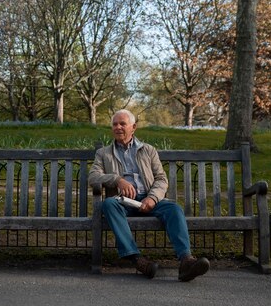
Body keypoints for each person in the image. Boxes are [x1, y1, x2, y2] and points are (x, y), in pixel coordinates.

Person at [88, 109, 210, 281]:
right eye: (115, 124)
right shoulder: (104, 153)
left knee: (174, 209)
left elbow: (161, 179)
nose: (118, 127)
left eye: (122, 124)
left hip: (148, 198)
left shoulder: (148, 150)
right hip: (123, 202)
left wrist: (152, 198)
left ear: (133, 127)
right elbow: (93, 177)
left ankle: (186, 261)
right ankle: (137, 260)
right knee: (108, 204)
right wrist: (117, 180)